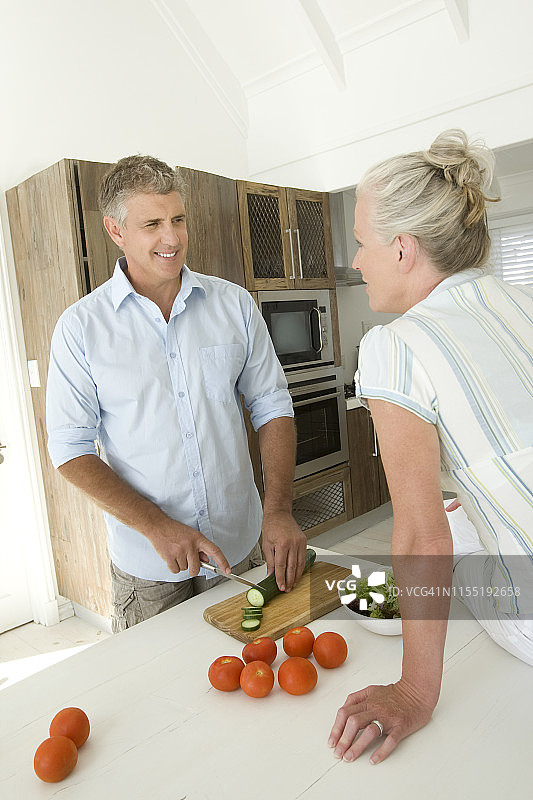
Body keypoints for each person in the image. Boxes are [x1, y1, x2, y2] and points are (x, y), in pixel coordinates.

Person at [328, 129, 533, 765]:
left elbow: (420, 538)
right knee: (452, 527)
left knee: (380, 597)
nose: (356, 261)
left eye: (361, 243)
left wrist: (416, 690)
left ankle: (332, 589)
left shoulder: (397, 345)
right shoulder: (521, 301)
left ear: (402, 249)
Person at [46, 155, 307, 632]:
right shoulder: (80, 328)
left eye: (179, 219)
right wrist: (155, 526)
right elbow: (70, 449)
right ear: (116, 230)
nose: (172, 238)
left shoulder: (234, 304)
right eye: (152, 224)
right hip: (149, 564)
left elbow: (272, 407)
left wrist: (280, 509)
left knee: (252, 672)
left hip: (238, 541)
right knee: (161, 693)